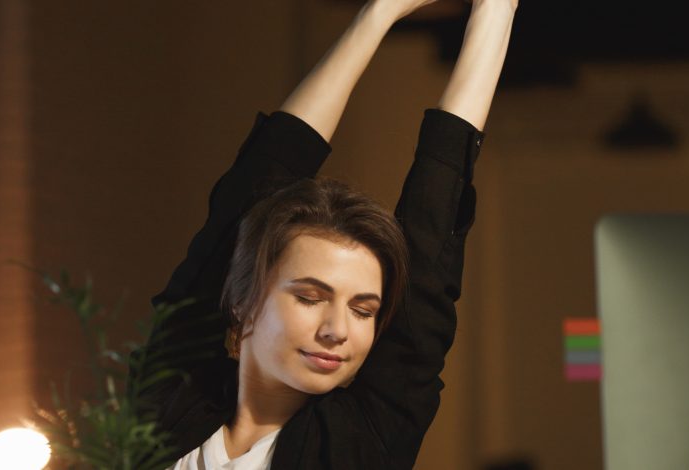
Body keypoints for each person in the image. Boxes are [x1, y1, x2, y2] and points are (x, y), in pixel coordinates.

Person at [137, 0, 518, 468]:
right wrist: (378, 13)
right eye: (310, 297)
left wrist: (497, 7)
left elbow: (431, 233)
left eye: (363, 310)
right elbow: (253, 186)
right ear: (242, 301)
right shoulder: (165, 404)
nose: (337, 331)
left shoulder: (358, 442)